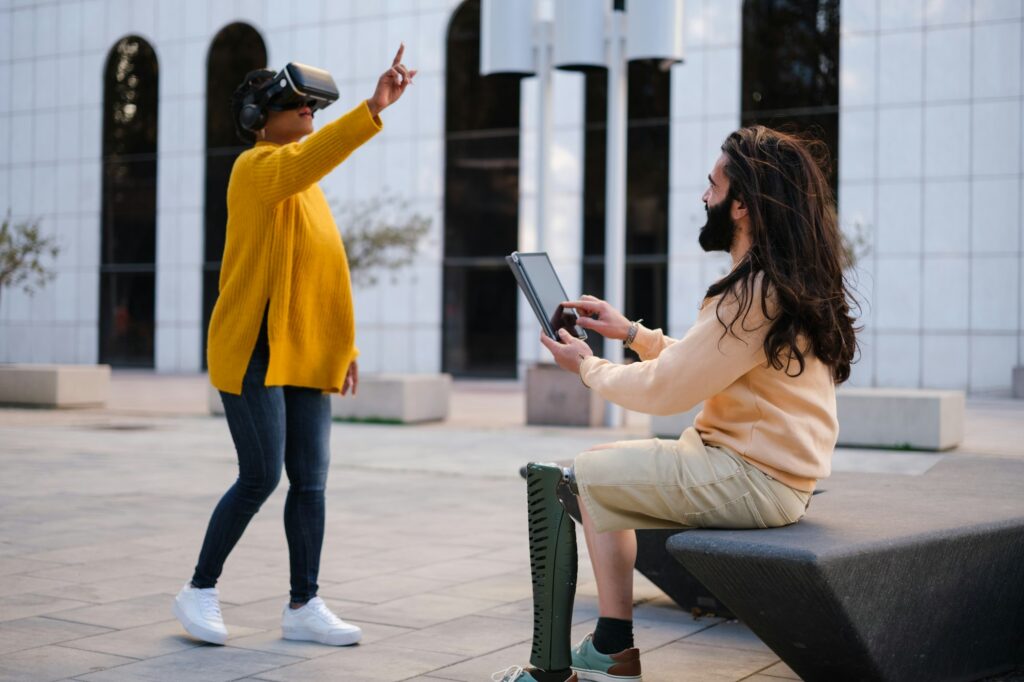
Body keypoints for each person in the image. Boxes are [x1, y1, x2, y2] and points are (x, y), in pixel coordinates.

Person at [494, 126, 859, 682]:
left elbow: (670, 389)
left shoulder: (750, 292)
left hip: (751, 477)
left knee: (574, 477)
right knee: (604, 465)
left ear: (741, 204)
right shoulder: (777, 282)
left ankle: (555, 668)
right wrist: (629, 332)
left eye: (713, 186)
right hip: (767, 474)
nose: (704, 197)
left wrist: (586, 366)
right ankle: (612, 647)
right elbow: (706, 363)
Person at [173, 46, 416, 647]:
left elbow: (324, 272)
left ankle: (303, 606)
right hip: (253, 344)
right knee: (259, 475)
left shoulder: (305, 186)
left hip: (303, 348)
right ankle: (198, 590)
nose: (307, 110)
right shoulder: (257, 168)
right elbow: (313, 157)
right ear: (261, 116)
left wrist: (345, 347)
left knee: (311, 480)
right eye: (297, 103)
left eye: (312, 105)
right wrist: (371, 108)